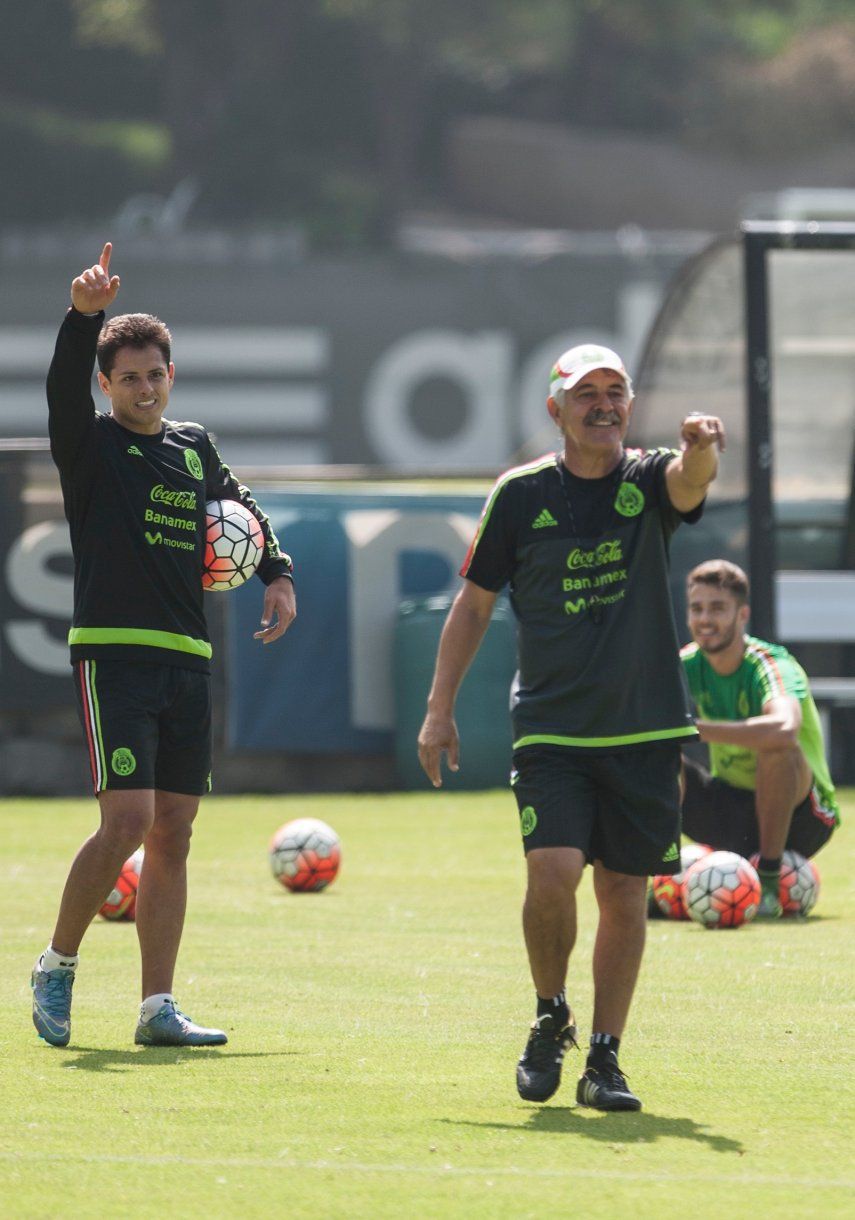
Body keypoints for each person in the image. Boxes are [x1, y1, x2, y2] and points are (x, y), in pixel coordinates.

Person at [418, 343, 724, 1112]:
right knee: (551, 876)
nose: (603, 404)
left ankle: (606, 1059)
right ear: (554, 410)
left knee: (624, 893)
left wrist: (701, 449)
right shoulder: (520, 495)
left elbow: (691, 484)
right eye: (585, 393)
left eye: (615, 391)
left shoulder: (651, 477)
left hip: (646, 729)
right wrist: (437, 708)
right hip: (552, 729)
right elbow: (474, 606)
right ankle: (549, 1010)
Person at [32, 243, 296, 1049]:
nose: (145, 389)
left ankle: (157, 1008)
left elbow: (238, 505)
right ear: (106, 386)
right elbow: (59, 385)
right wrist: (85, 317)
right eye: (129, 378)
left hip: (188, 656)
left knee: (174, 828)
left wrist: (277, 570)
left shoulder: (192, 446)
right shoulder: (91, 447)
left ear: (170, 377)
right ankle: (57, 964)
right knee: (126, 821)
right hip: (114, 654)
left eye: (156, 375)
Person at [680, 559, 838, 917]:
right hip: (730, 811)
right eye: (696, 608)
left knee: (778, 746)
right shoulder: (685, 664)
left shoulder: (769, 664)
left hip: (803, 819)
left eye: (718, 608)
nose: (705, 619)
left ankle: (768, 882)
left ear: (742, 614)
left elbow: (784, 729)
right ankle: (660, 874)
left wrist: (695, 730)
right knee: (655, 752)